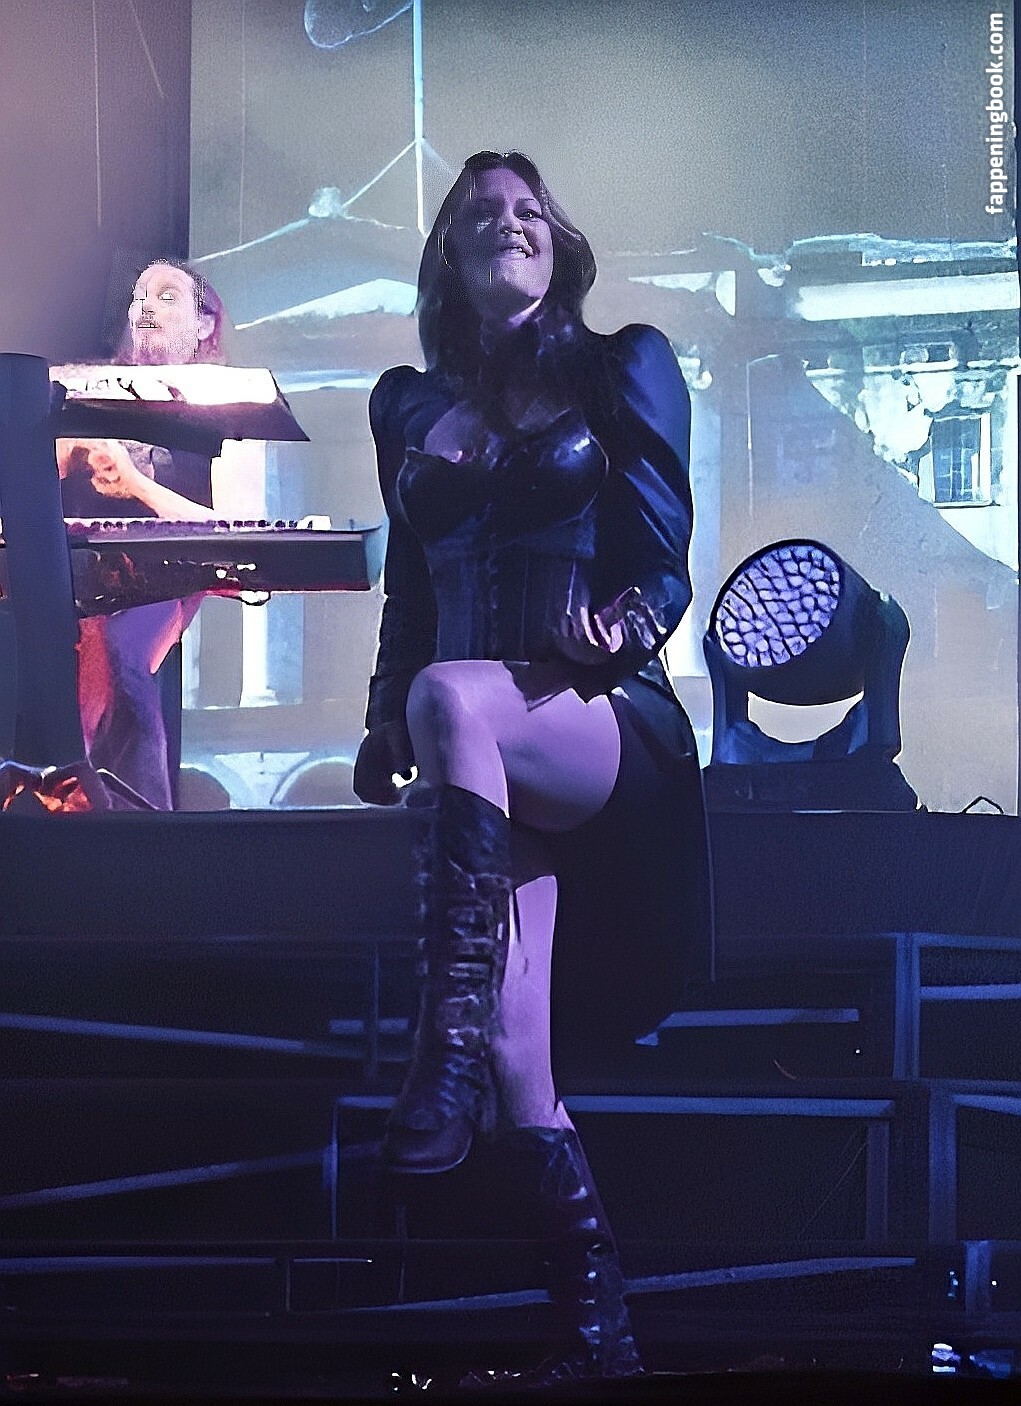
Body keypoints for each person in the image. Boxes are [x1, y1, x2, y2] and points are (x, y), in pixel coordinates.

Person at [353, 150, 701, 1386]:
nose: (508, 223)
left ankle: (433, 1052)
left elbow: (664, 564)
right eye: (482, 213)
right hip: (476, 764)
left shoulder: (621, 367)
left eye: (529, 210)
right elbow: (409, 588)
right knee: (520, 1060)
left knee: (457, 693)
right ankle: (600, 1339)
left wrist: (621, 628)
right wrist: (382, 714)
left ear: (556, 246)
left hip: (592, 721)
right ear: (450, 253)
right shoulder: (405, 406)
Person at [56, 260, 243, 808]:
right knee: (81, 676)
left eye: (166, 295)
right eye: (139, 295)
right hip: (85, 572)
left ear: (204, 324)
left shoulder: (227, 404)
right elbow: (33, 490)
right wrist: (66, 455)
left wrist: (135, 482)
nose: (145, 306)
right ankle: (81, 806)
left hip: (173, 572)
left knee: (124, 653)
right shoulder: (91, 393)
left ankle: (149, 821)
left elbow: (233, 530)